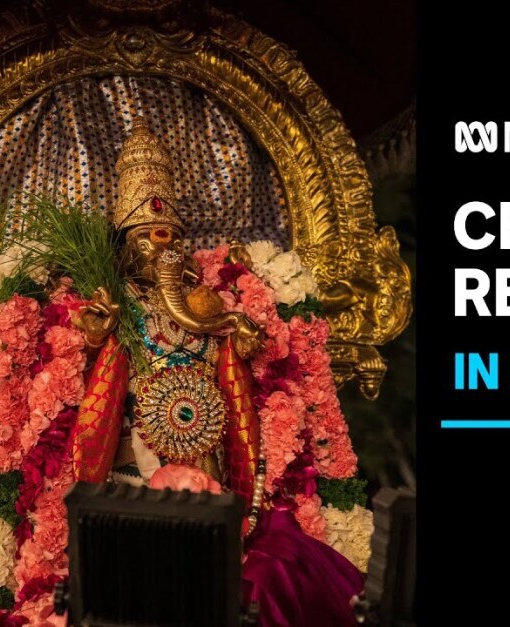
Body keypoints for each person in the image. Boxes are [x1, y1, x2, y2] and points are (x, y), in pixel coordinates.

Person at [68, 119, 365, 625]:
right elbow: (103, 387)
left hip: (208, 459)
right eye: (147, 238)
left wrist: (241, 340)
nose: (161, 247)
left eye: (168, 237)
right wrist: (96, 335)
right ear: (125, 247)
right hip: (137, 466)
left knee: (227, 564)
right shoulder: (119, 305)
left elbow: (231, 367)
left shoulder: (206, 303)